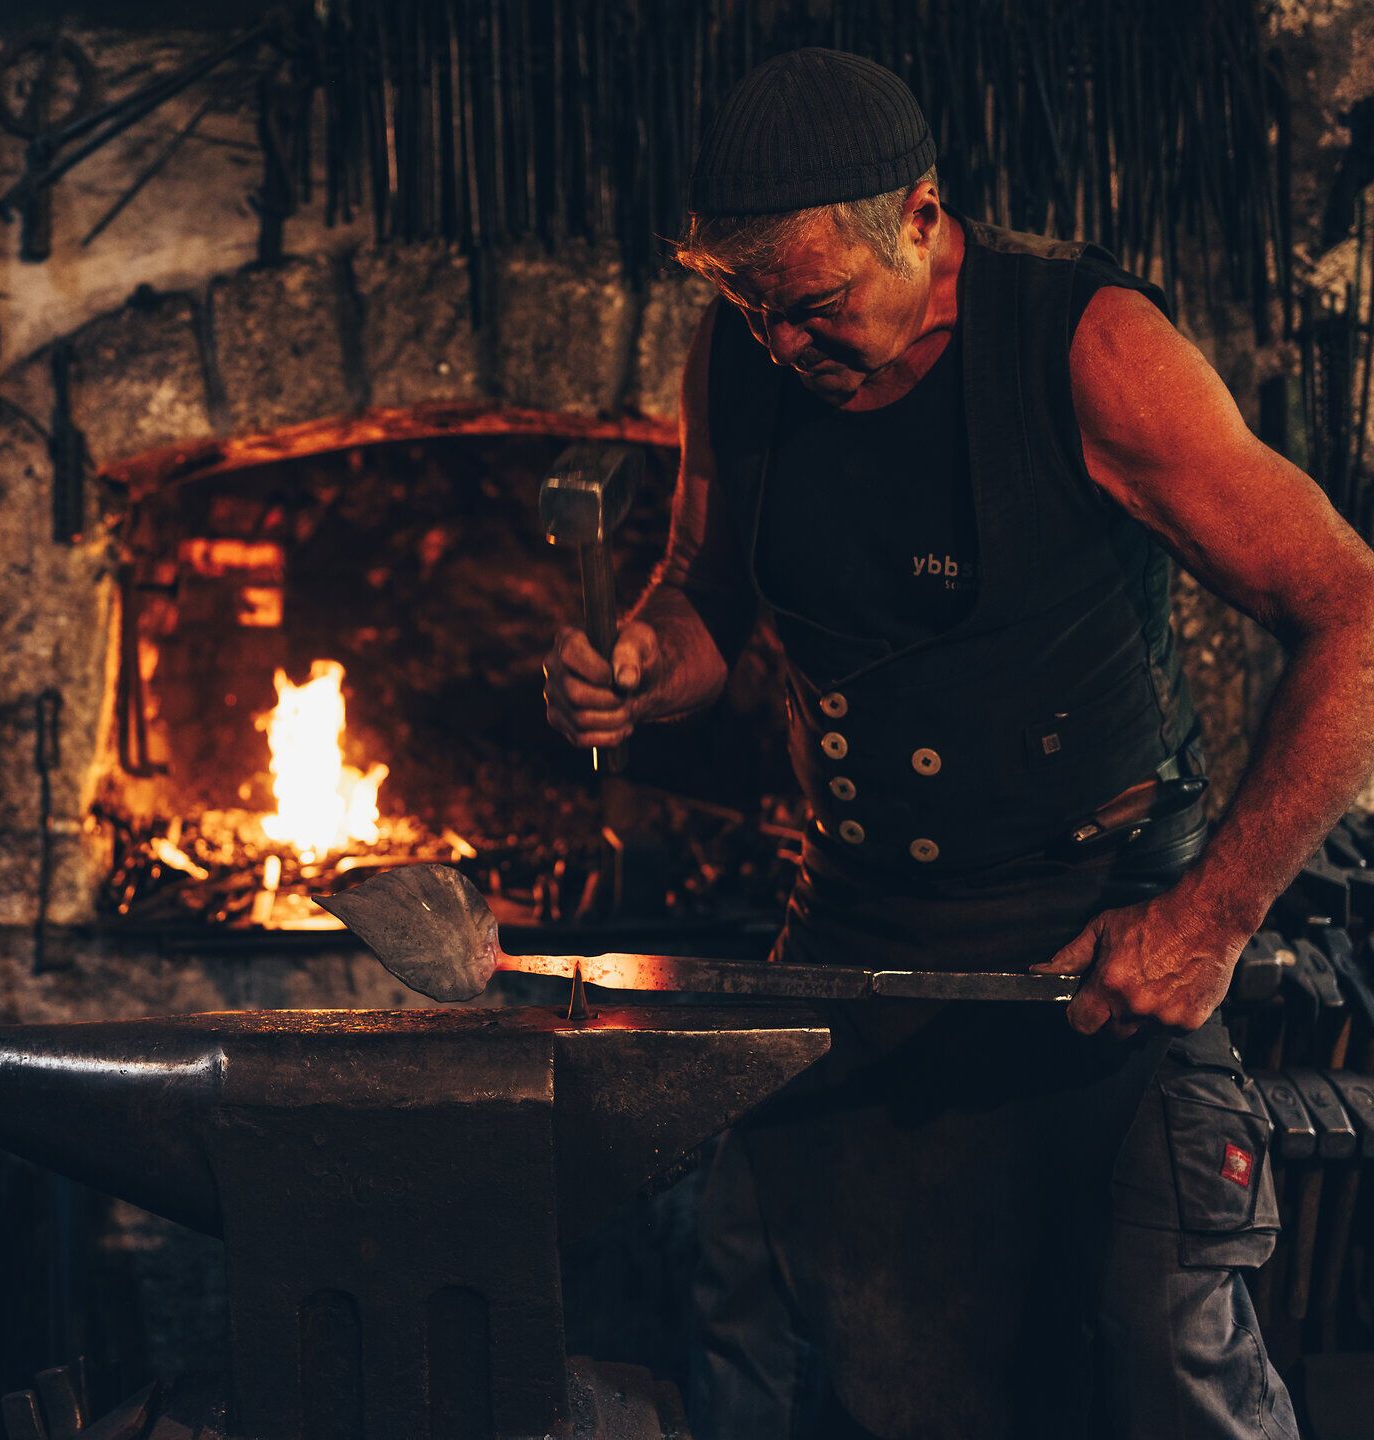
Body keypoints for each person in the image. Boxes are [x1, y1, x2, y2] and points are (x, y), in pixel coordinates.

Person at [543, 48, 1374, 1440]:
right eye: (752, 311)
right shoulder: (744, 362)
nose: (783, 348)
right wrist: (642, 662)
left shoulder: (1091, 349)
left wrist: (1209, 919)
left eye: (815, 307)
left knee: (1162, 1374)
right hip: (858, 941)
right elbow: (708, 597)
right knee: (832, 1363)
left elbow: (1351, 610)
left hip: (1095, 953)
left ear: (923, 218)